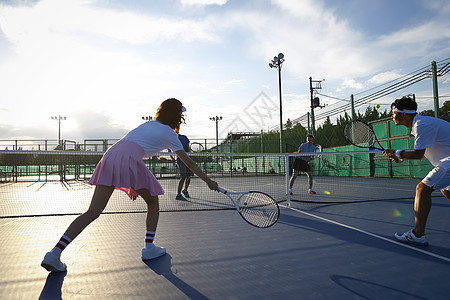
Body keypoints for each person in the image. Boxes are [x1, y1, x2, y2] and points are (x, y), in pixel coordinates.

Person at [41, 98, 219, 273]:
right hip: (128, 158)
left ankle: (54, 254)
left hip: (110, 155)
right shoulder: (170, 134)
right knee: (153, 202)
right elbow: (189, 163)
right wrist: (209, 181)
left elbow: (126, 150)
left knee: (93, 211)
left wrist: (132, 185)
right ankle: (149, 248)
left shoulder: (146, 125)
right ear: (177, 115)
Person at [383, 95, 450, 246]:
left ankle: (417, 234)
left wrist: (397, 152)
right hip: (447, 162)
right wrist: (402, 157)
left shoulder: (421, 125)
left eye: (394, 113)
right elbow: (425, 152)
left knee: (422, 189)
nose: (392, 116)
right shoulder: (423, 123)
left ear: (403, 114)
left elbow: (419, 153)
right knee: (446, 190)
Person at [175, 133, 193, 201]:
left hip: (188, 159)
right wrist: (171, 156)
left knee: (188, 176)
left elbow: (188, 147)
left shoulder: (184, 137)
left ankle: (185, 190)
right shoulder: (173, 139)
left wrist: (188, 155)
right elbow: (169, 148)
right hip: (180, 160)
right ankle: (178, 194)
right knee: (183, 177)